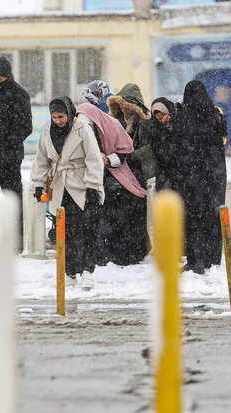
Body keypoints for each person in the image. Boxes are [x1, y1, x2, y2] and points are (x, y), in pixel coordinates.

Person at [30, 97, 104, 289]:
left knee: (87, 230)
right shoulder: (48, 130)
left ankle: (88, 270)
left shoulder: (82, 129)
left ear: (69, 113)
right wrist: (39, 183)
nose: (58, 121)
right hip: (60, 186)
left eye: (61, 116)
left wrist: (93, 186)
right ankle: (69, 271)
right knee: (64, 232)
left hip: (81, 186)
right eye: (54, 117)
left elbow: (94, 159)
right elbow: (41, 159)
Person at [76, 103, 149, 266]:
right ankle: (103, 254)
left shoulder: (112, 126)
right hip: (96, 179)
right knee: (103, 220)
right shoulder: (80, 132)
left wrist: (107, 160)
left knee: (122, 219)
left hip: (120, 179)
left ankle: (126, 254)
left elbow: (126, 152)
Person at [171, 80, 227, 274]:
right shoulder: (216, 115)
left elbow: (177, 147)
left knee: (193, 217)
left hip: (190, 175)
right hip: (214, 174)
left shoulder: (182, 116)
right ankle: (212, 257)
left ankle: (196, 259)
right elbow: (222, 141)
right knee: (212, 216)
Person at [0, 55, 33, 244]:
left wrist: (4, 144)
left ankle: (17, 237)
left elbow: (25, 127)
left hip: (9, 158)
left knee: (13, 197)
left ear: (0, 71)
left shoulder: (19, 94)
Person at [108, 83, 155, 187]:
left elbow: (151, 147)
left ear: (135, 107)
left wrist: (132, 154)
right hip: (123, 168)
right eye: (122, 107)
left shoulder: (145, 122)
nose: (124, 111)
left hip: (142, 169)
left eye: (127, 108)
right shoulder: (116, 121)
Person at [149, 97, 177, 191]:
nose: (161, 121)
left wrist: (171, 124)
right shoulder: (153, 128)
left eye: (162, 117)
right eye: (158, 119)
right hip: (163, 171)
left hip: (179, 170)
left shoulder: (179, 122)